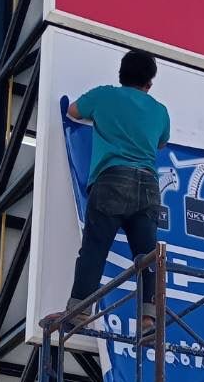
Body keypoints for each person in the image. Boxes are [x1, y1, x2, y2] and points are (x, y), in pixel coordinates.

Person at [60, 49, 170, 339]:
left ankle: (79, 310)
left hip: (111, 179)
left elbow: (72, 111)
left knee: (95, 248)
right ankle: (150, 320)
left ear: (121, 74)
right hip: (147, 185)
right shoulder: (159, 110)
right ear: (149, 82)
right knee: (147, 256)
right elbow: (161, 143)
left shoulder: (104, 96)